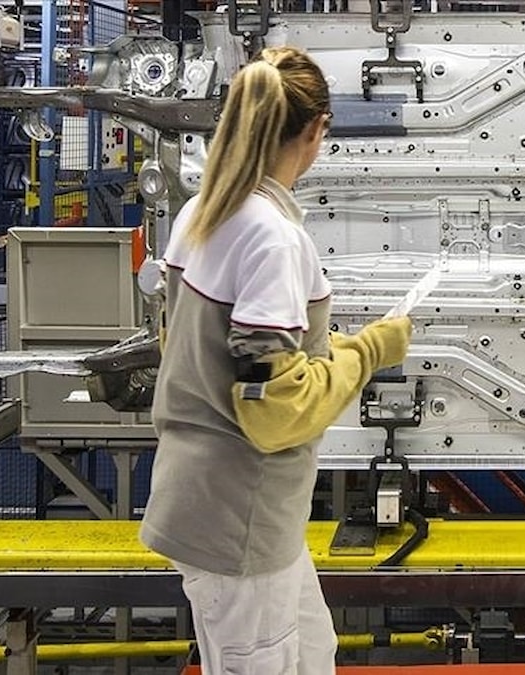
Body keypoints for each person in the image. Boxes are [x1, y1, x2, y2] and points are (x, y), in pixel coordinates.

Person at [140, 46, 412, 675]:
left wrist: (330, 349)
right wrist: (371, 350)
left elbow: (225, 355)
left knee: (314, 653)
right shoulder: (270, 236)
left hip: (219, 501)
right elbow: (274, 413)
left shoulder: (203, 212)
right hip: (238, 517)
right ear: (317, 131)